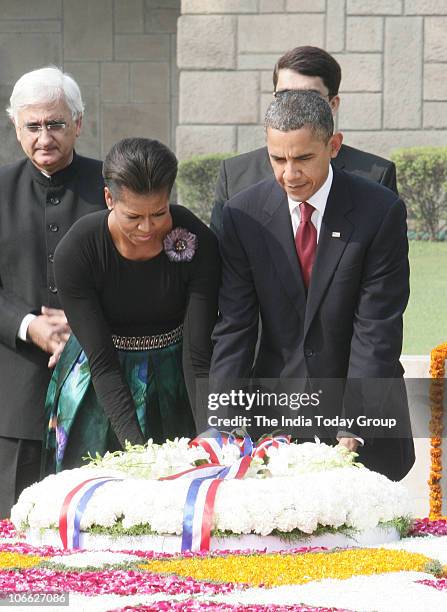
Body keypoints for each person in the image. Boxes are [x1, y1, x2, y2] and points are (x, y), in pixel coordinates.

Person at [210, 90, 414, 481]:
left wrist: (354, 427)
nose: (290, 173)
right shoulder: (242, 215)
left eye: (303, 158)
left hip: (362, 418)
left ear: (333, 146)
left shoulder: (380, 211)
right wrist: (225, 420)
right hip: (275, 417)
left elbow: (377, 326)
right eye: (278, 158)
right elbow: (235, 325)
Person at [43, 137, 220, 473]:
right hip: (99, 378)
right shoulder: (77, 252)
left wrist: (210, 435)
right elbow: (103, 362)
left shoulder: (199, 240)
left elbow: (198, 356)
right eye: (134, 216)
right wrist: (138, 453)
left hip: (173, 376)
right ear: (109, 198)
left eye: (159, 213)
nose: (148, 228)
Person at [0, 66, 105, 517]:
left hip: (100, 393)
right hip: (14, 400)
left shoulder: (113, 187)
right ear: (16, 127)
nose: (45, 136)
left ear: (78, 123)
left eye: (56, 123)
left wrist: (85, 324)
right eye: (33, 126)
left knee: (93, 534)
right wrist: (29, 326)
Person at [210, 46, 398, 235]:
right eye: (284, 95)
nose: (295, 105)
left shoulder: (374, 177)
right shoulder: (236, 176)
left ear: (333, 104)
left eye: (309, 97)